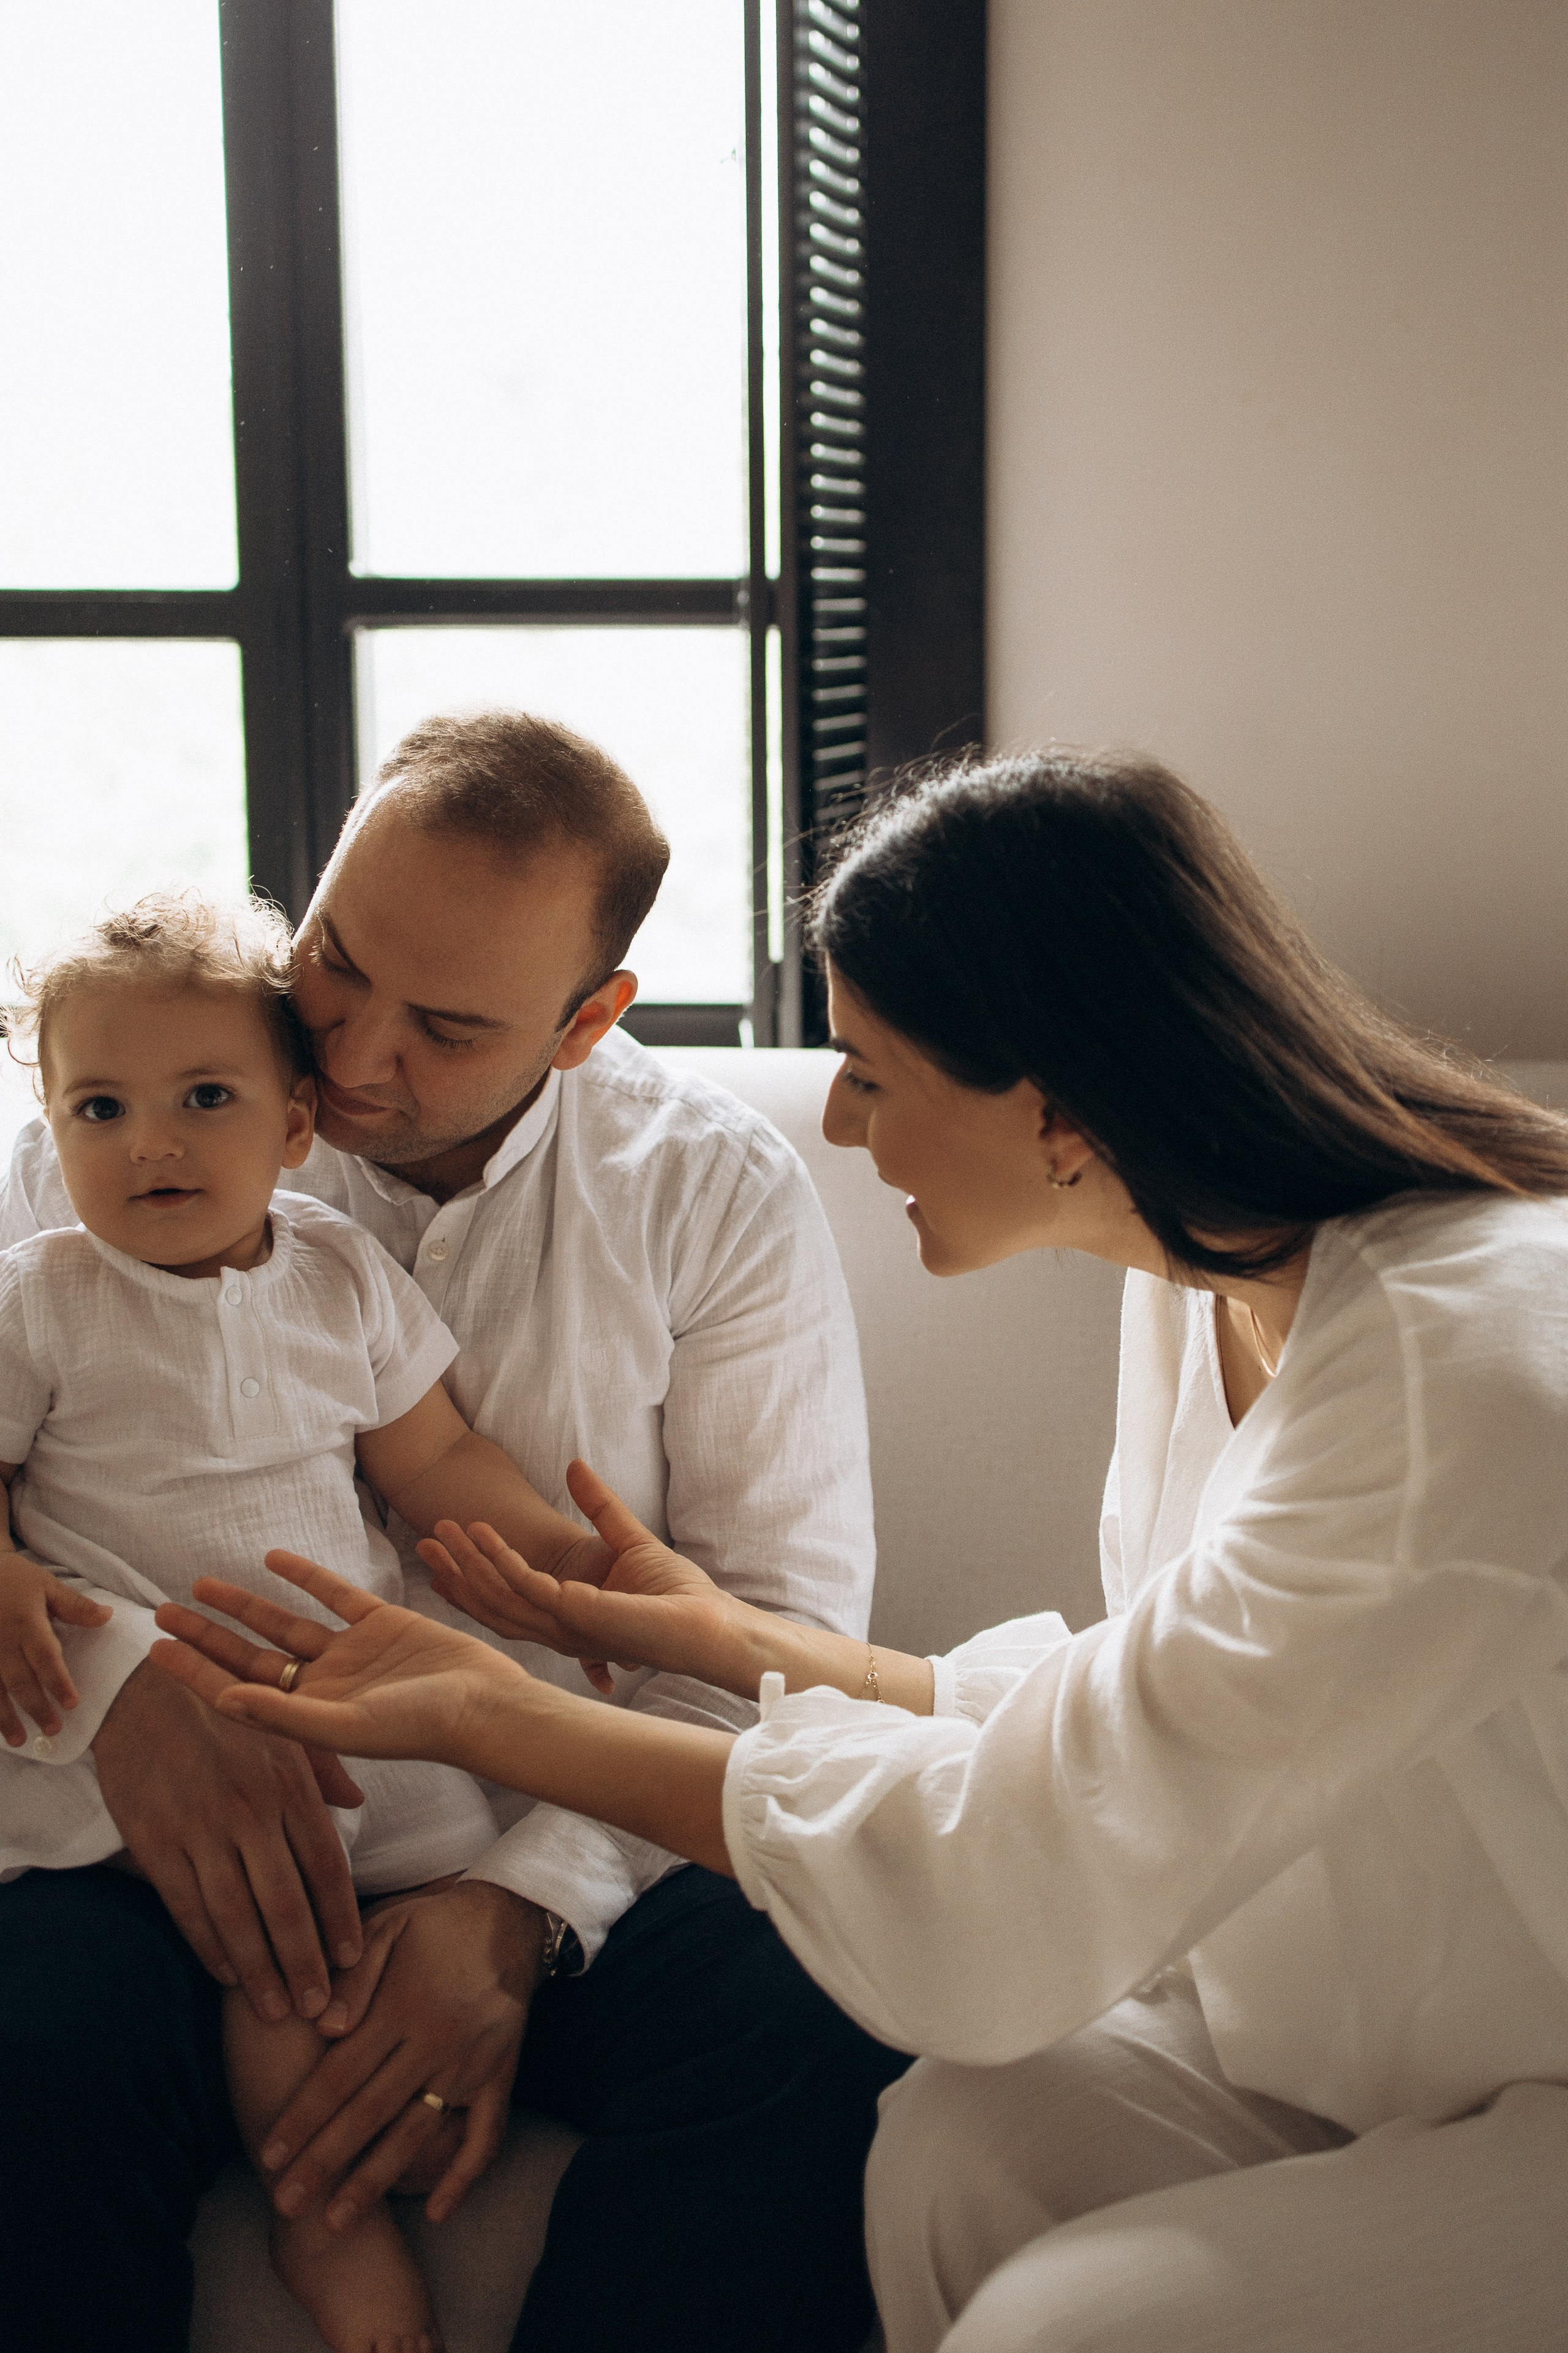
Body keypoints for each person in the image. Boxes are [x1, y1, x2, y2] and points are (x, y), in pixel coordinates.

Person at [159, 748, 1568, 2353]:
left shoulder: (1446, 1374)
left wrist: (496, 1716)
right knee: (965, 2144)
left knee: (1064, 2324)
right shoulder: (1221, 1282)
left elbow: (1013, 1878)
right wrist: (737, 1641)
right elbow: (1145, 1710)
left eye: (868, 1071)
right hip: (1384, 2050)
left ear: (1056, 1106)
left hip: (1533, 2086)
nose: (833, 1119)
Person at [0, 711, 898, 2353]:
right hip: (152, 1841)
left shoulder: (710, 1195)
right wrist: (122, 1694)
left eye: (447, 1026)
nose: (350, 1054)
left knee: (819, 1996)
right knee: (30, 2035)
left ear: (587, 1021)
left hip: (554, 1828)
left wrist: (517, 1910)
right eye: (339, 961)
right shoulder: (121, 1120)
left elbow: (774, 1638)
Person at [0, 889, 676, 2353]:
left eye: (204, 1098)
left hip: (357, 1729)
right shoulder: (39, 1299)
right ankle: (323, 2222)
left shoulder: (335, 1271)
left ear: (296, 1125)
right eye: (100, 1108)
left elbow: (434, 1460)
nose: (152, 1143)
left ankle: (332, 2177)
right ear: (50, 1129)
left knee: (345, 1943)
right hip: (136, 1765)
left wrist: (571, 1567)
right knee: (260, 1957)